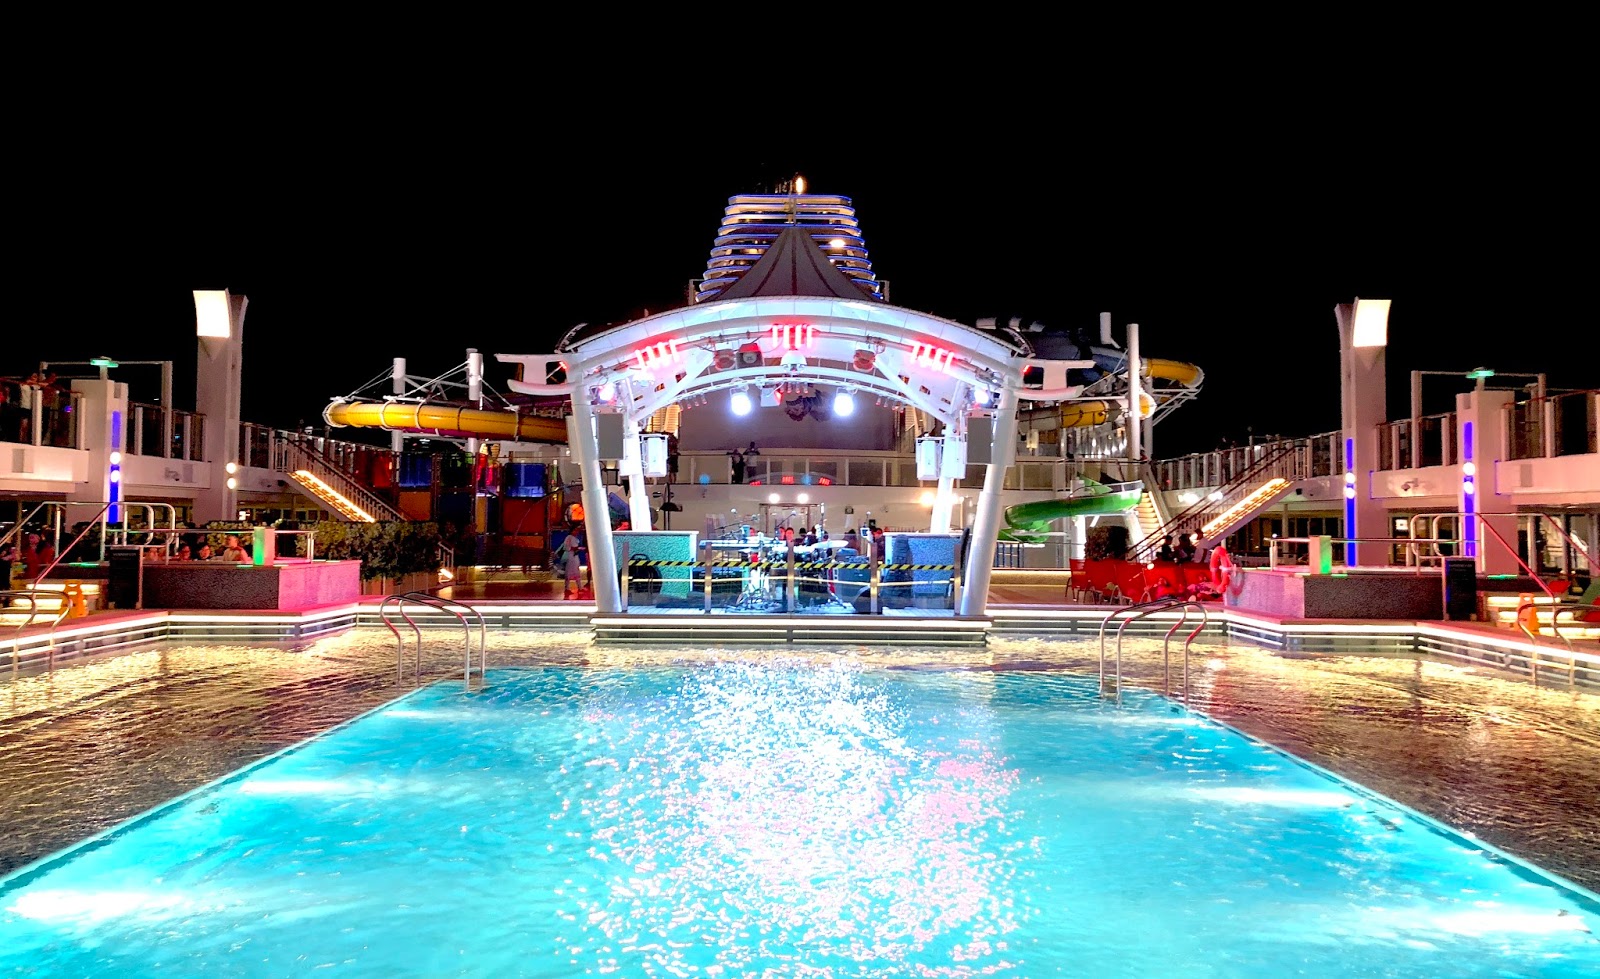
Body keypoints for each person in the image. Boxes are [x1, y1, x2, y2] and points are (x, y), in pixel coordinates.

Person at [556, 525, 586, 599]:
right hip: (570, 556)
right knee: (569, 571)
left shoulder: (574, 538)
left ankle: (579, 587)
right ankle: (568, 588)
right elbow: (567, 547)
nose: (576, 532)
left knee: (576, 571)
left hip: (574, 556)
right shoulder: (569, 537)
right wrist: (576, 548)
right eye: (575, 530)